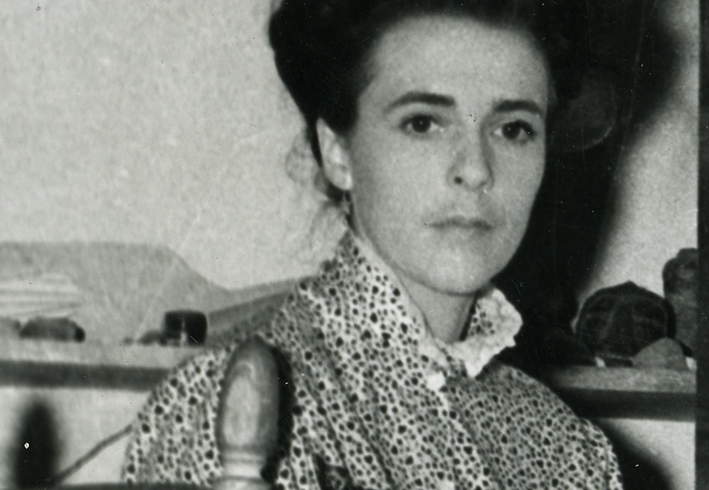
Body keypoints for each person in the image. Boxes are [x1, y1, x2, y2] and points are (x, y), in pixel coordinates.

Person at [122, 1, 623, 489]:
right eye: (423, 123)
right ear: (337, 152)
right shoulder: (237, 404)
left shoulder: (571, 453)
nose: (475, 169)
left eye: (514, 129)